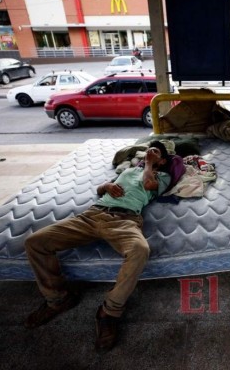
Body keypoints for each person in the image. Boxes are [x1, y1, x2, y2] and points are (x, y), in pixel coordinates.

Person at [23, 141, 171, 351]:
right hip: (93, 215)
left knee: (140, 250)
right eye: (149, 149)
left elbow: (148, 185)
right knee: (35, 242)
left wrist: (148, 163)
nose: (149, 151)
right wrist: (107, 186)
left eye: (155, 151)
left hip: (124, 220)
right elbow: (101, 188)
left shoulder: (162, 176)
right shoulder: (128, 170)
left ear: (162, 160)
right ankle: (58, 299)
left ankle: (110, 311)